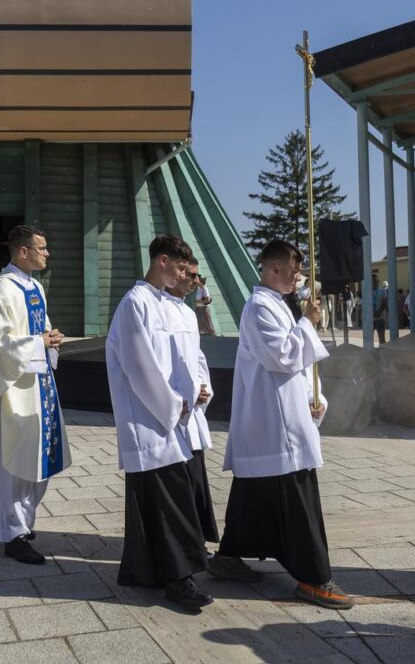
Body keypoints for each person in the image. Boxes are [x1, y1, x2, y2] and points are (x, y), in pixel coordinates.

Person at [211, 239, 353, 610]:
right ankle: (313, 577)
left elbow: (296, 360)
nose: (299, 277)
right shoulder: (259, 308)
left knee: (254, 492)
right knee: (297, 496)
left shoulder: (277, 305)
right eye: (294, 270)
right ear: (274, 269)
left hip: (281, 414)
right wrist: (307, 321)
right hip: (275, 422)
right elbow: (282, 355)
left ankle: (228, 556)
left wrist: (312, 394)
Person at [106, 235, 213, 612]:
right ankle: (178, 579)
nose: (187, 276)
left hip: (180, 419)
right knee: (168, 504)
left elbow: (195, 358)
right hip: (151, 420)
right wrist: (173, 406)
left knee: (157, 503)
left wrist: (202, 391)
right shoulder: (135, 304)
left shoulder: (180, 308)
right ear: (162, 261)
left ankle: (139, 570)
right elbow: (140, 367)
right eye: (182, 269)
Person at [0, 225, 70, 564]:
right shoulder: (2, 291)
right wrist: (40, 343)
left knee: (37, 460)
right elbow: (1, 345)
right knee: (14, 461)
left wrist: (49, 337)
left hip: (39, 386)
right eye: (42, 248)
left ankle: (24, 521)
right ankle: (12, 532)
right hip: (13, 389)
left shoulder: (34, 286)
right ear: (22, 252)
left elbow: (38, 327)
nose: (47, 253)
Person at [164, 258, 219, 545]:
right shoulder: (156, 308)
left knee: (195, 478)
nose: (194, 280)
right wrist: (183, 393)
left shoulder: (187, 313)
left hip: (193, 408)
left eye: (198, 275)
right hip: (174, 409)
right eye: (190, 274)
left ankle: (196, 541)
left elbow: (197, 358)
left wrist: (203, 387)